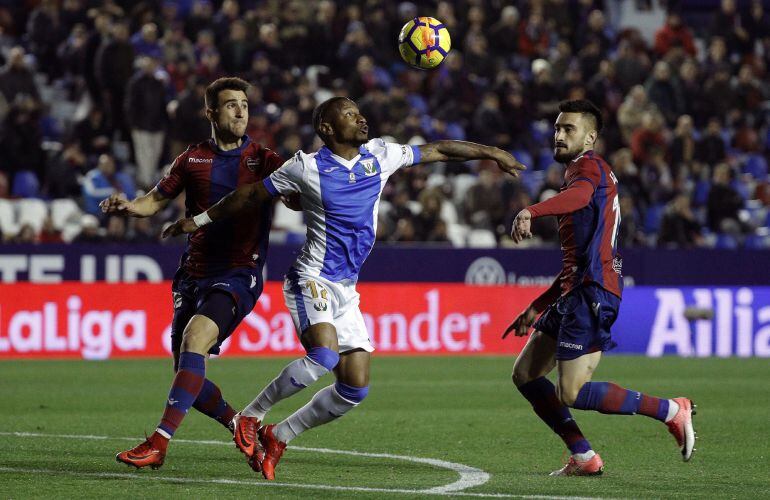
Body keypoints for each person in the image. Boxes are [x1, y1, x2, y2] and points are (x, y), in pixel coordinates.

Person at [163, 96, 525, 480]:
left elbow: (437, 150)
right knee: (324, 355)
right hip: (311, 278)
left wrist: (492, 152)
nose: (361, 119)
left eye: (359, 112)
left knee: (354, 387)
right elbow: (250, 194)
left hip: (345, 288)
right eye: (350, 115)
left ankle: (279, 435)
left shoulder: (380, 155)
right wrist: (199, 220)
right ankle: (251, 416)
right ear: (327, 128)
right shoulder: (305, 167)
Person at [102, 77, 287, 469]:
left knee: (195, 336)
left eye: (244, 104)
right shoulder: (192, 159)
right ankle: (241, 423)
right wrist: (129, 207)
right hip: (192, 274)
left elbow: (297, 194)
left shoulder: (264, 159)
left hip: (239, 271)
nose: (240, 111)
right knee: (187, 372)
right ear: (211, 113)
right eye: (231, 105)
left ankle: (158, 444)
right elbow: (154, 201)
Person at [505, 99, 696, 476]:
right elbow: (577, 257)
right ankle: (583, 457)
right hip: (575, 288)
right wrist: (537, 305)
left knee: (571, 393)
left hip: (592, 292)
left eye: (569, 129)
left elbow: (577, 199)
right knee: (525, 373)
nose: (559, 135)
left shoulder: (588, 168)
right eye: (557, 128)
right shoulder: (581, 172)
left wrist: (532, 210)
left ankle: (672, 410)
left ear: (590, 137)